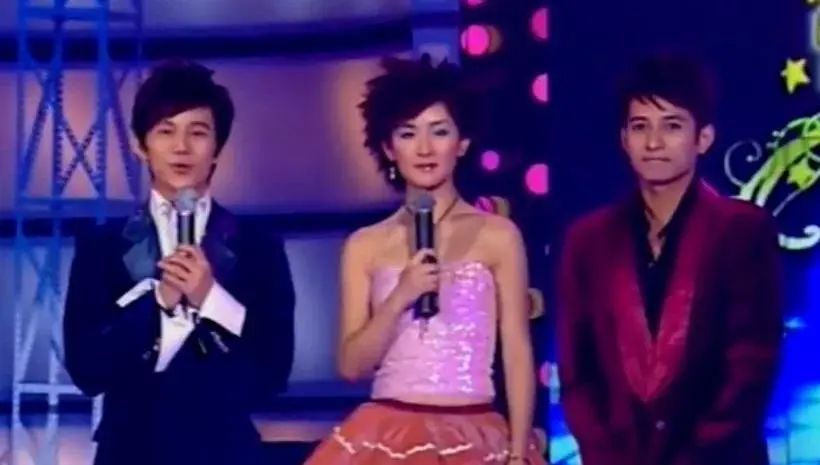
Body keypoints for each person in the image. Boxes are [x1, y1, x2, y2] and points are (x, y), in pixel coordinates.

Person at [303, 54, 545, 465]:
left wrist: (519, 453)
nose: (425, 148)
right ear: (388, 147)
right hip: (385, 434)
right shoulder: (365, 245)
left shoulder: (499, 237)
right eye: (408, 133)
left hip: (476, 430)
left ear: (462, 143)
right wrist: (401, 296)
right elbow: (351, 365)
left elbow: (517, 352)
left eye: (440, 131)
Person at [63, 60, 295, 465]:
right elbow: (87, 369)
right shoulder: (102, 247)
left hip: (226, 451)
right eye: (165, 131)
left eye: (198, 132)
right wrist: (157, 305)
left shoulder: (259, 246)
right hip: (129, 450)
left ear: (218, 147)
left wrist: (211, 299)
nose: (181, 147)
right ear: (140, 145)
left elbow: (273, 373)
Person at [557, 54, 783, 465]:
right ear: (623, 138)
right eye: (640, 126)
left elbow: (749, 367)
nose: (654, 143)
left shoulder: (743, 230)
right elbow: (577, 374)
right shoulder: (588, 241)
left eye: (672, 126)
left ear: (704, 138)